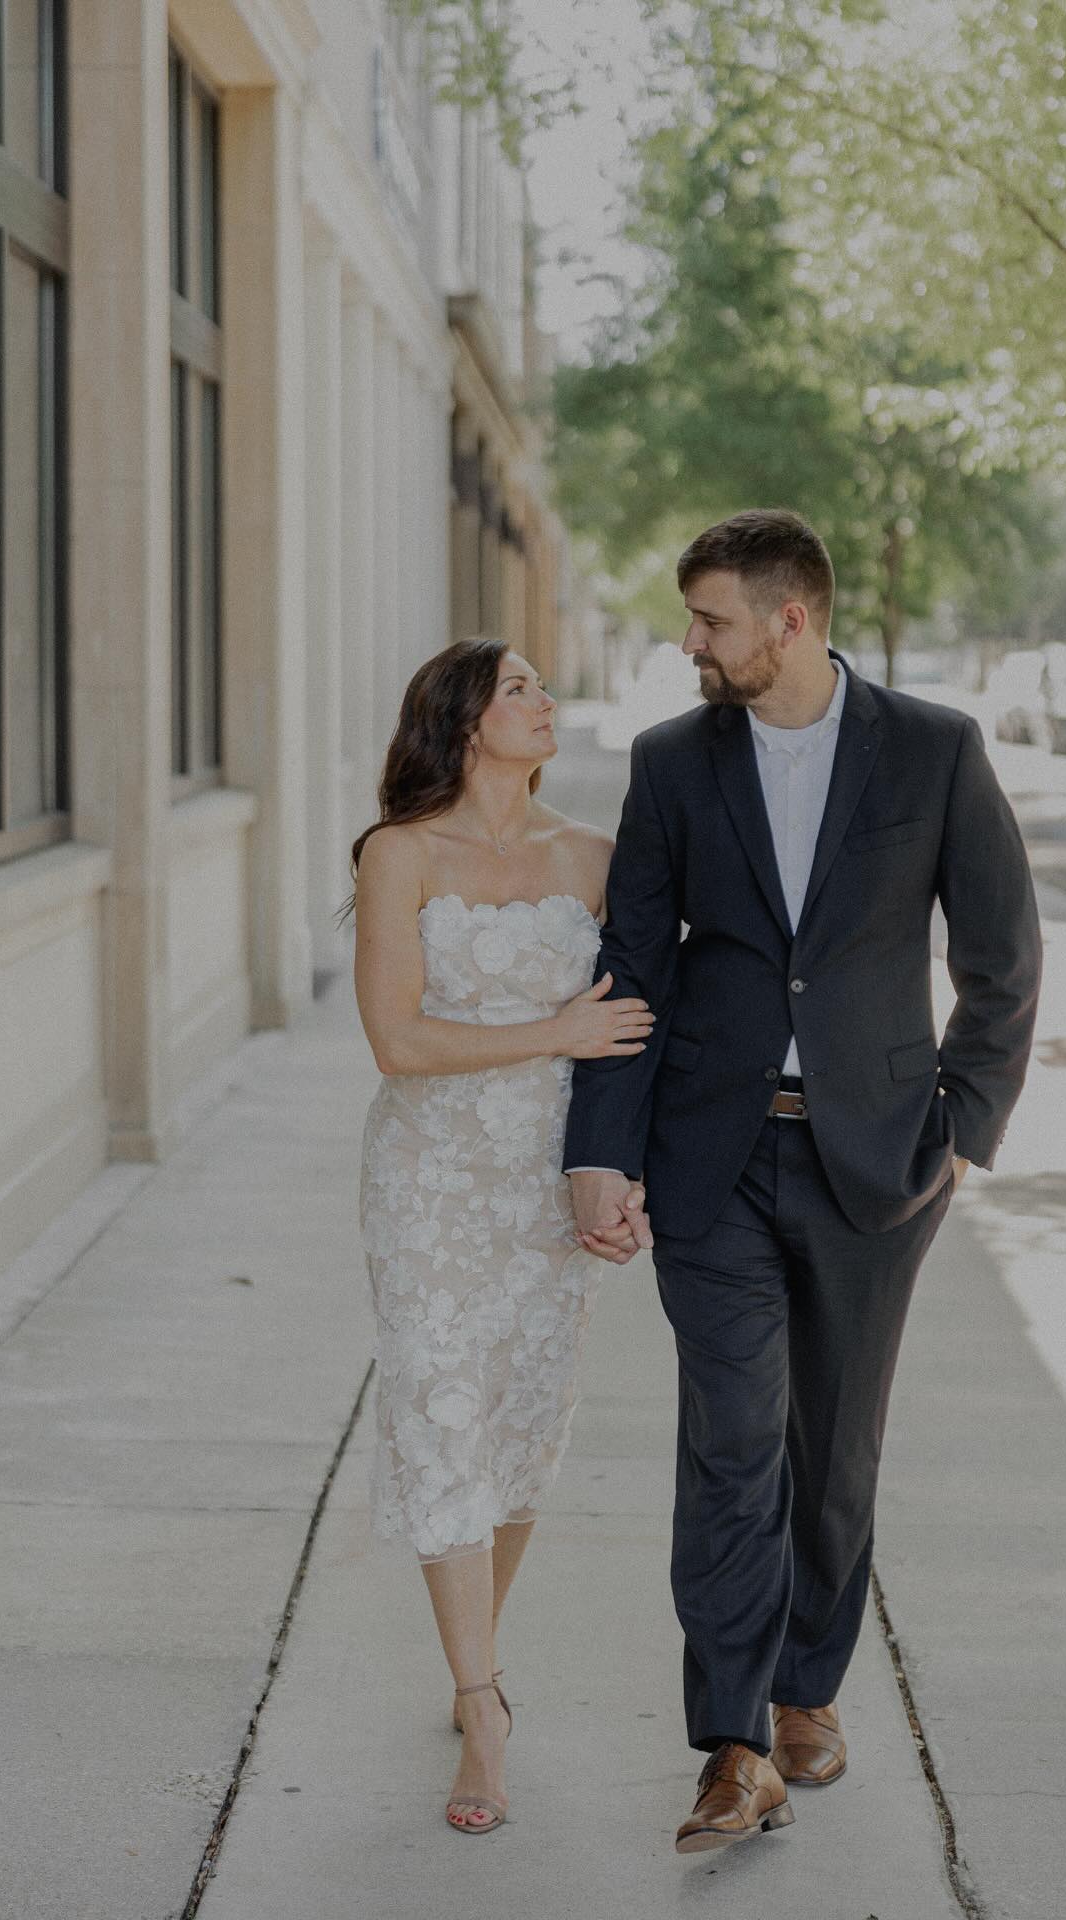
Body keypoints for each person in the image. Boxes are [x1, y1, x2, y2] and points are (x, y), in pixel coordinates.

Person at [562, 509, 1042, 1854]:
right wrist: (600, 1148)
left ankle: (806, 1692)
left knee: (833, 1448)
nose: (691, 642)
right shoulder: (671, 763)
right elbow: (635, 963)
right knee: (729, 1445)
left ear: (792, 619)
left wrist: (960, 1126)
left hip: (875, 1161)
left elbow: (1003, 956)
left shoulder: (935, 750)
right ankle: (727, 1742)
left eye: (711, 620)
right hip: (709, 1155)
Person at [348, 637, 654, 1836]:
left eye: (541, 686)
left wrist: (618, 1173)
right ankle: (483, 1705)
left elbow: (634, 1031)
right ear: (465, 717)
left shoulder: (595, 855)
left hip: (544, 1184)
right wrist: (553, 1033)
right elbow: (398, 1042)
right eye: (519, 686)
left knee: (523, 1421)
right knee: (441, 1408)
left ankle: (477, 1653)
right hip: (428, 1179)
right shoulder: (400, 854)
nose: (544, 702)